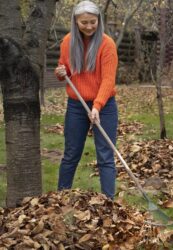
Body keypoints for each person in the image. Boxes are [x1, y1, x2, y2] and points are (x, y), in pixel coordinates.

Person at [54, 1, 118, 199]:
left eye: (93, 22)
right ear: (75, 21)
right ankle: (61, 198)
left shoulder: (107, 44)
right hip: (76, 105)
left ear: (99, 21)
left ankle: (109, 202)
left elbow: (108, 80)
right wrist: (60, 72)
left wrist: (97, 106)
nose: (89, 26)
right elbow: (65, 70)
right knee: (71, 154)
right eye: (84, 23)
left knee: (105, 156)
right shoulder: (67, 41)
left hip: (105, 106)